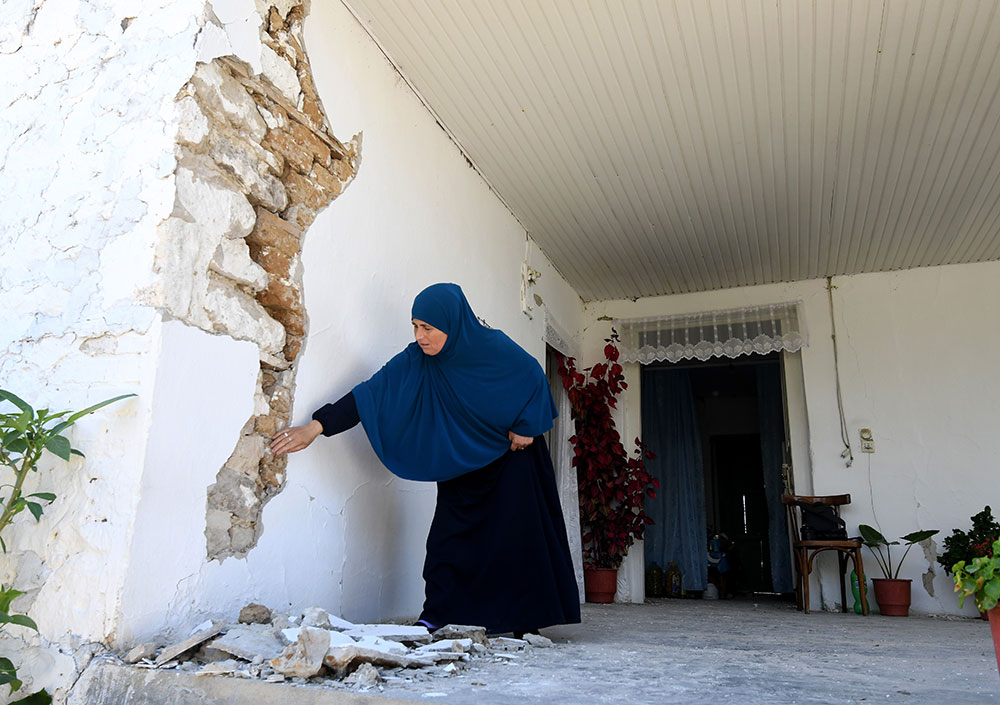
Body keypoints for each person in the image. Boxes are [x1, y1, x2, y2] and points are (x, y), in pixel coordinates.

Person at [270, 283, 580, 636]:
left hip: (512, 459)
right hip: (459, 460)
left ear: (452, 323)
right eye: (415, 326)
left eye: (428, 328)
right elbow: (370, 394)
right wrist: (317, 427)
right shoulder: (417, 360)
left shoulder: (493, 347)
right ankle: (438, 614)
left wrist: (527, 425)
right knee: (448, 542)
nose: (419, 336)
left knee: (515, 538)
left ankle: (524, 622)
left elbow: (534, 378)